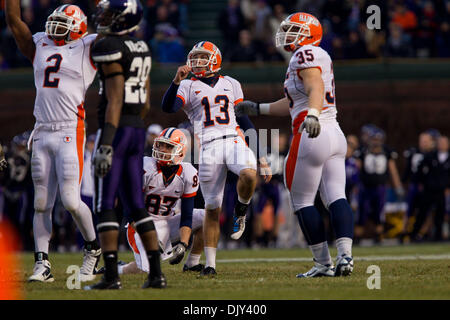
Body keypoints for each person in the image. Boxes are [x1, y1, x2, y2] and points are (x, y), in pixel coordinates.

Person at [236, 12, 355, 277]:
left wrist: (312, 114)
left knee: (301, 200)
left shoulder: (305, 54)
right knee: (336, 195)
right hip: (334, 131)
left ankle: (323, 263)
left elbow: (315, 87)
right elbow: (293, 103)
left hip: (312, 130)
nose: (286, 34)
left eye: (293, 30)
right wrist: (258, 108)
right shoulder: (313, 55)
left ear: (308, 33)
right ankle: (345, 256)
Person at [5, 0, 101, 283]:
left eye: (63, 25)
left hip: (71, 129)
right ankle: (42, 264)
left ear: (79, 28)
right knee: (41, 203)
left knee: (71, 201)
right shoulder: (40, 44)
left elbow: (114, 31)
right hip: (42, 130)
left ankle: (93, 249)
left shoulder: (88, 46)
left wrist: (103, 7)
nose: (55, 29)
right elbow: (14, 21)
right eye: (54, 23)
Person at [161, 41, 271, 276]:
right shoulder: (188, 85)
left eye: (202, 57)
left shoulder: (231, 83)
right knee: (212, 209)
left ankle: (241, 211)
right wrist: (176, 81)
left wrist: (261, 154)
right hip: (208, 146)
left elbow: (244, 120)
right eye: (195, 57)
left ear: (215, 59)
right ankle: (210, 264)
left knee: (249, 174)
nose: (197, 62)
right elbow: (169, 107)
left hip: (233, 139)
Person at [86, 0, 165, 290]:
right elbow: (144, 100)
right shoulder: (142, 46)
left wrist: (106, 142)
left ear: (123, 19)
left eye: (110, 14)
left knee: (105, 205)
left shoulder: (109, 47)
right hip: (136, 127)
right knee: (136, 205)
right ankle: (156, 274)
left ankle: (110, 275)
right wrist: (134, 125)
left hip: (116, 131)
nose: (104, 18)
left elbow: (115, 98)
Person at [99, 128, 205, 275]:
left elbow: (186, 215)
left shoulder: (188, 173)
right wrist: (148, 234)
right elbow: (129, 211)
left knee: (206, 217)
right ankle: (118, 268)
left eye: (168, 146)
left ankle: (192, 262)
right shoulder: (145, 167)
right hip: (141, 224)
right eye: (161, 144)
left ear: (181, 151)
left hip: (169, 222)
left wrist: (183, 244)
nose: (162, 149)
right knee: (146, 269)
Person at [354, 128, 404, 242]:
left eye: (378, 139)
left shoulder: (387, 152)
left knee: (379, 212)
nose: (376, 142)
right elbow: (357, 169)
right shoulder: (363, 151)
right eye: (374, 139)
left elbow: (393, 171)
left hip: (380, 187)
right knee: (362, 212)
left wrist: (398, 186)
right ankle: (357, 237)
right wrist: (356, 185)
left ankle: (379, 236)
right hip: (365, 187)